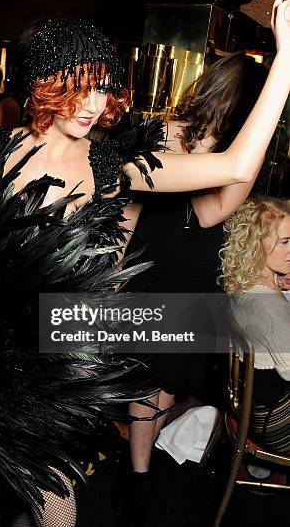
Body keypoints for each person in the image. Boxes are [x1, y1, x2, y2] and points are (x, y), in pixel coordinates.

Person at [0, 0, 290, 526]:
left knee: (56, 497)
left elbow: (234, 168)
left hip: (58, 350)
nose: (94, 105)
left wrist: (284, 63)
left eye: (103, 89)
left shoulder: (112, 164)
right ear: (46, 82)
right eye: (80, 88)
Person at [117, 52, 269, 524]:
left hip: (197, 275)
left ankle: (142, 454)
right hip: (151, 267)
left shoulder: (243, 151)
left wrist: (199, 158)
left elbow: (210, 213)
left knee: (164, 380)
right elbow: (131, 205)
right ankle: (139, 473)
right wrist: (113, 262)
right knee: (148, 375)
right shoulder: (158, 131)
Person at [220, 197, 290, 453]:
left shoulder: (244, 285)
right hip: (276, 423)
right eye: (285, 242)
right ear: (255, 243)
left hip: (253, 406)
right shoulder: (268, 306)